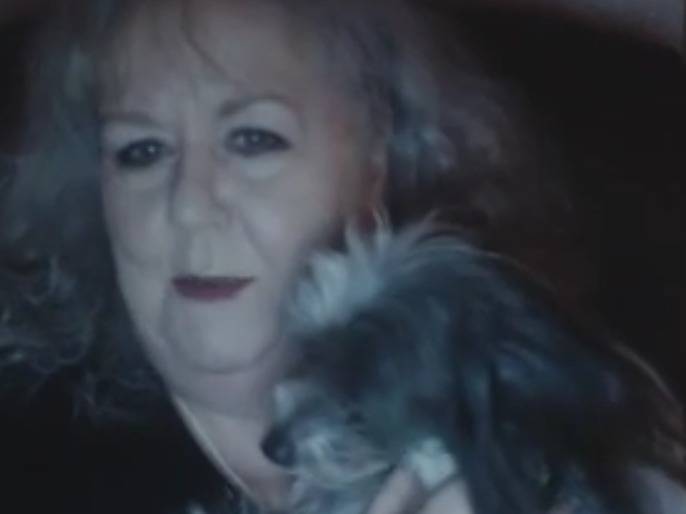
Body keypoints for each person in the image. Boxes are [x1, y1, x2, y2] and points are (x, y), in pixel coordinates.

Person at [0, 1, 684, 513]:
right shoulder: (28, 461)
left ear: (378, 159)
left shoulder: (590, 415)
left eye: (253, 139)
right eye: (141, 150)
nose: (190, 204)